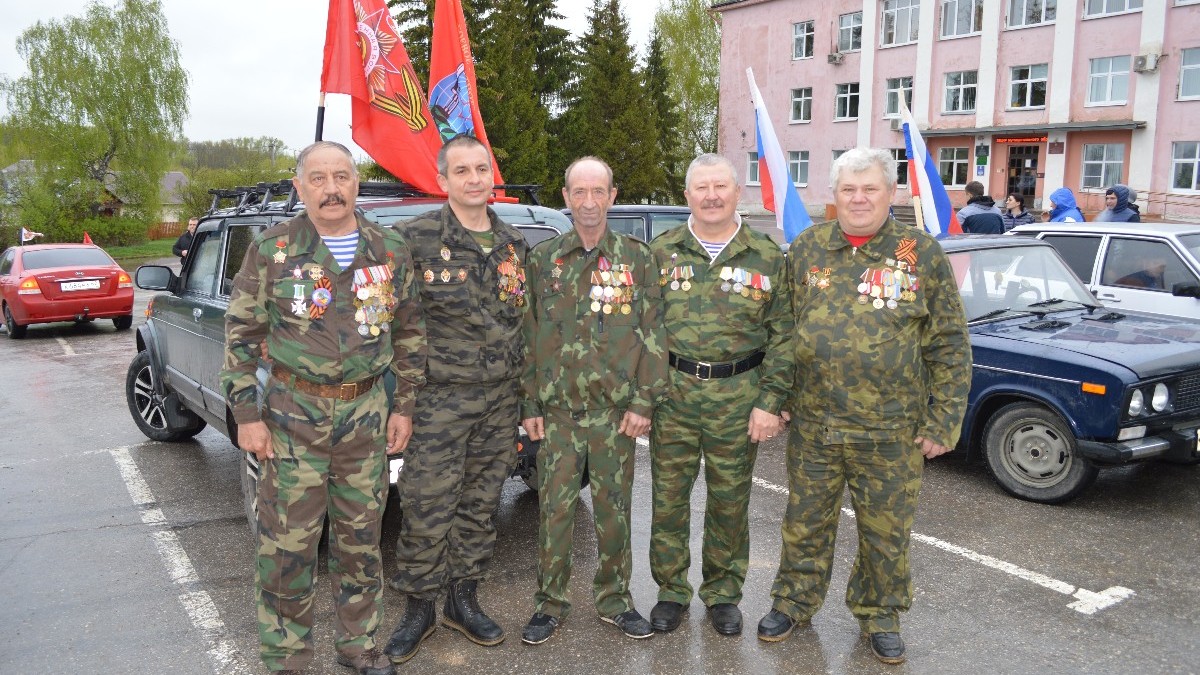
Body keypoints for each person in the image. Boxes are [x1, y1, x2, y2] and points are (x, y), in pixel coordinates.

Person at [757, 147, 971, 665]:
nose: (858, 199)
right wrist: (777, 398)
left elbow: (949, 343)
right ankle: (793, 602)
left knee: (886, 529)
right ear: (834, 195)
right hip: (815, 424)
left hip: (891, 430)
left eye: (869, 189)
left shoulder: (920, 254)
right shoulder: (807, 249)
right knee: (805, 521)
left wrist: (944, 419)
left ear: (890, 194)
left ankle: (880, 614)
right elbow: (784, 332)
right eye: (848, 189)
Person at [221, 141, 427, 675]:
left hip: (365, 416)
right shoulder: (272, 250)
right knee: (289, 546)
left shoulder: (389, 249)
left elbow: (409, 333)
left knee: (361, 541)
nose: (331, 188)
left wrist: (403, 407)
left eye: (341, 176)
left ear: (357, 182)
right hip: (292, 417)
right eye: (318, 178)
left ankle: (358, 647)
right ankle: (286, 657)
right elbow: (242, 335)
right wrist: (247, 415)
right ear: (300, 187)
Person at [384, 135, 528, 662]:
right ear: (442, 180)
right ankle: (419, 607)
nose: (474, 179)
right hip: (439, 402)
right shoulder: (414, 240)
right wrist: (402, 403)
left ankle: (462, 599)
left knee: (481, 502)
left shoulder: (514, 243)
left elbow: (523, 324)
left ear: (492, 175)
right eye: (461, 171)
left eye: (481, 169)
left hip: (499, 402)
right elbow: (395, 327)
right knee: (426, 504)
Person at [518, 156, 669, 645]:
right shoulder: (543, 260)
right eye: (578, 192)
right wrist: (530, 405)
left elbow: (652, 335)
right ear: (565, 197)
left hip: (614, 416)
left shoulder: (638, 258)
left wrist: (643, 403)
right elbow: (529, 335)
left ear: (612, 194)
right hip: (558, 415)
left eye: (598, 191)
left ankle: (615, 600)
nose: (588, 201)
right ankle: (550, 602)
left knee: (613, 510)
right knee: (554, 512)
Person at [646, 153, 792, 637]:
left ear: (737, 193)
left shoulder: (767, 256)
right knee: (668, 501)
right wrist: (644, 397)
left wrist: (770, 401)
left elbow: (784, 336)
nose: (711, 196)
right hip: (674, 397)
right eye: (701, 187)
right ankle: (670, 591)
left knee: (730, 502)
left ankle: (723, 593)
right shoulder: (661, 251)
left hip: (739, 396)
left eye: (721, 187)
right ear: (686, 195)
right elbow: (642, 331)